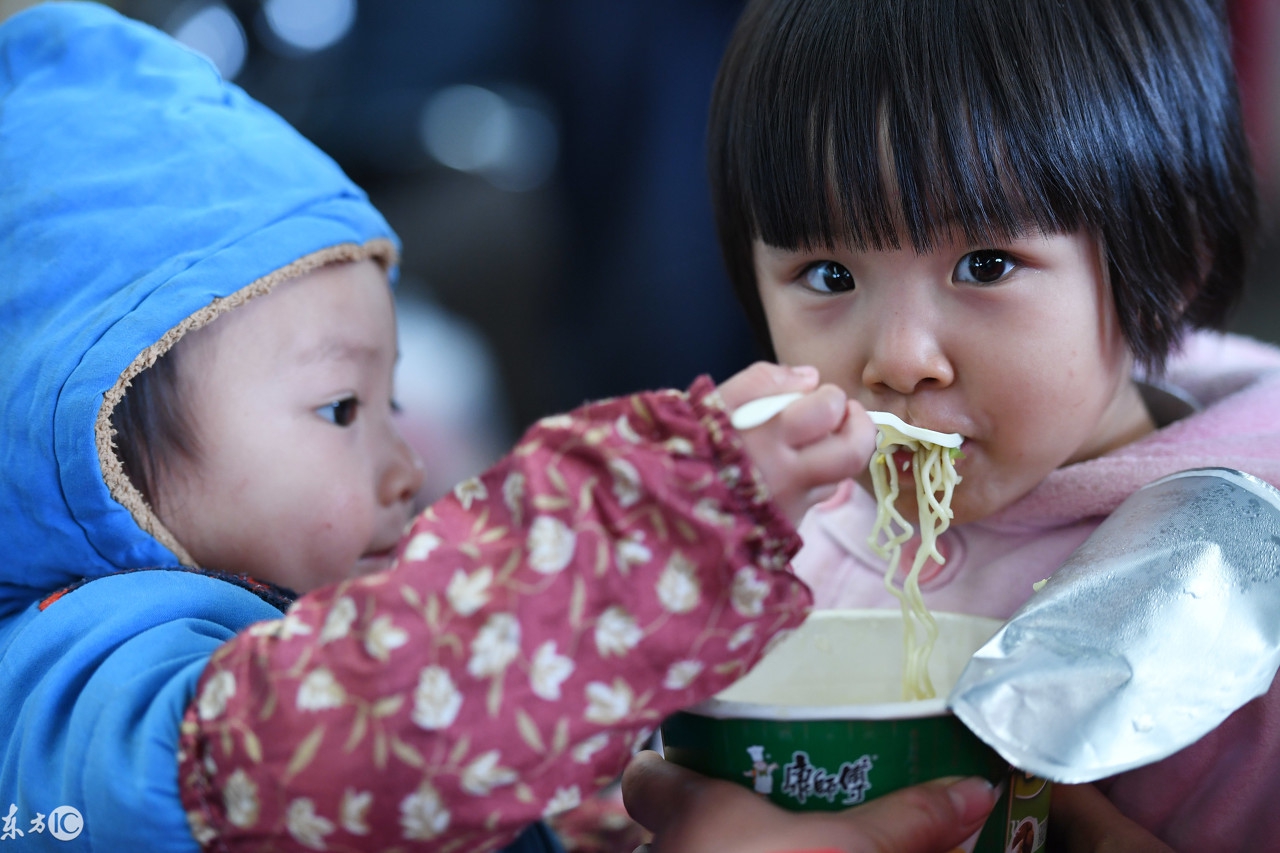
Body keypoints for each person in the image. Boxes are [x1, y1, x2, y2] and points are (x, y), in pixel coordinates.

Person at [0, 4, 996, 851]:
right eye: (339, 407)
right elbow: (366, 730)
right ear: (102, 444)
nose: (403, 465)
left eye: (388, 405)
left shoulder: (282, 619)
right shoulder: (75, 696)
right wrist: (673, 505)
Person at [667, 0, 1279, 849]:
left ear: (1172, 261)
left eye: (984, 264)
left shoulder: (1247, 571)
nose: (900, 357)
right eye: (827, 272)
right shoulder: (768, 545)